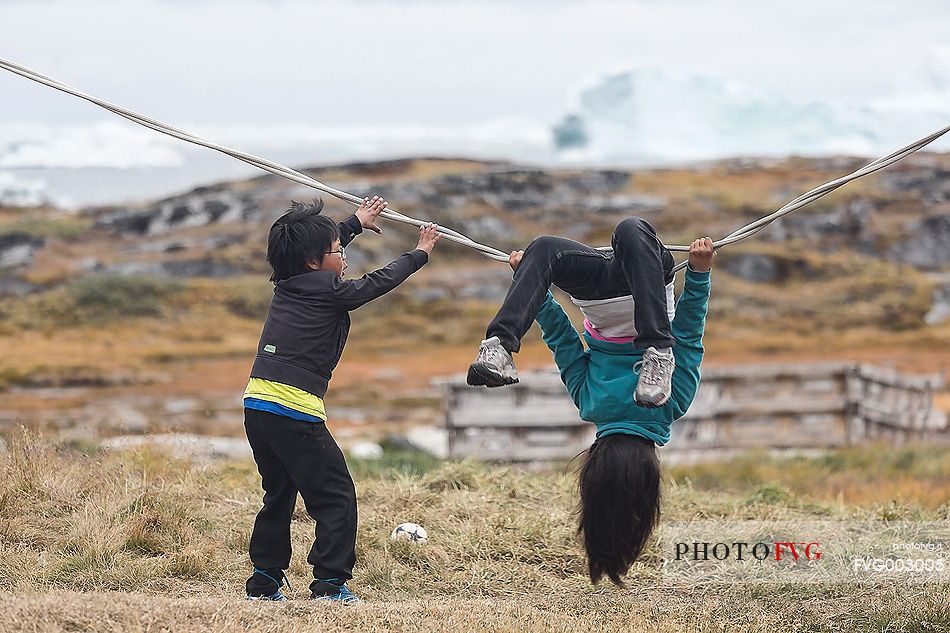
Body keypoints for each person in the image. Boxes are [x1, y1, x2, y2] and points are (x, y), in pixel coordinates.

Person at [468, 217, 715, 585]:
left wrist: (532, 280)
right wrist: (697, 276)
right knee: (627, 233)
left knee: (547, 250)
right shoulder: (648, 401)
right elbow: (561, 340)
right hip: (645, 288)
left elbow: (691, 335)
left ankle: (500, 345)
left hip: (597, 296)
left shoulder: (625, 403)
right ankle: (656, 351)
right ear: (595, 459)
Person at [242, 196, 440, 602]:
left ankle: (264, 581)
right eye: (339, 251)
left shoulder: (288, 283)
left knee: (278, 493)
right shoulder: (330, 290)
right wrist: (418, 255)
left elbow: (318, 253)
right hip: (294, 411)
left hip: (257, 404)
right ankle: (330, 584)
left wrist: (355, 222)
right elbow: (376, 283)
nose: (345, 258)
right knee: (335, 496)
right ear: (315, 262)